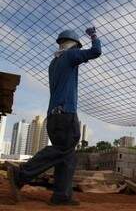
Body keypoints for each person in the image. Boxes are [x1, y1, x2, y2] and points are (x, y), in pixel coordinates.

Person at [6, 27, 101, 206]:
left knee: (68, 156)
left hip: (53, 116)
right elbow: (96, 51)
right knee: (62, 148)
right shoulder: (71, 55)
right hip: (66, 114)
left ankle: (61, 196)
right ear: (75, 45)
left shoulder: (54, 63)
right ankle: (21, 174)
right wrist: (93, 35)